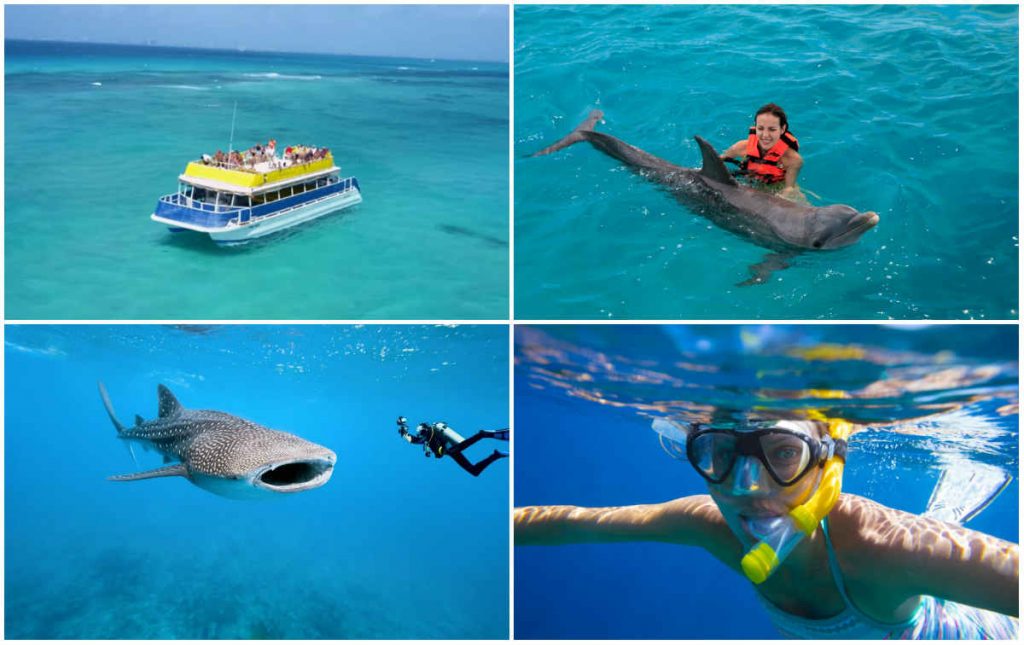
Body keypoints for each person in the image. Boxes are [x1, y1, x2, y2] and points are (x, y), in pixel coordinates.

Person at [515, 415, 1018, 639]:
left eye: (783, 453)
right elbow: (573, 524)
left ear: (828, 466)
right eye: (721, 453)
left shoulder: (878, 546)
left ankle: (942, 521)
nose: (748, 487)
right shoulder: (707, 524)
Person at [720, 103, 804, 201]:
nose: (765, 135)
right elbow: (717, 161)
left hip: (774, 189)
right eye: (760, 128)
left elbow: (789, 188)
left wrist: (780, 199)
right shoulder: (741, 147)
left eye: (772, 129)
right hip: (748, 181)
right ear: (755, 127)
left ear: (782, 129)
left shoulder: (793, 160)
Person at [397, 416, 508, 477]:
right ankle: (495, 455)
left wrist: (438, 453)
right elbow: (413, 441)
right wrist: (404, 433)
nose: (419, 435)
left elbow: (437, 450)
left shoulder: (431, 435)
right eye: (419, 434)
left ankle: (482, 434)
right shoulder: (427, 437)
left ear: (424, 431)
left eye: (420, 433)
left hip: (451, 450)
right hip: (451, 452)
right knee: (474, 471)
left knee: (463, 445)